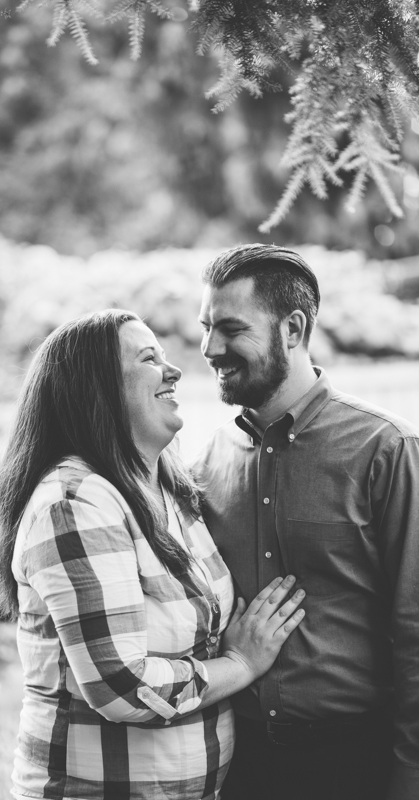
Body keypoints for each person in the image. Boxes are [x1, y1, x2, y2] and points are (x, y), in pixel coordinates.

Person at [0, 308, 306, 800]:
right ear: (98, 389)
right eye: (149, 358)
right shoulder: (76, 504)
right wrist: (240, 663)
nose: (174, 370)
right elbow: (122, 686)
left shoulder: (169, 491)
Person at [194, 243, 419, 800]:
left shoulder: (386, 449)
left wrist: (410, 776)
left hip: (355, 762)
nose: (208, 348)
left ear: (291, 329)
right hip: (236, 763)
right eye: (205, 328)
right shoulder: (204, 463)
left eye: (229, 329)